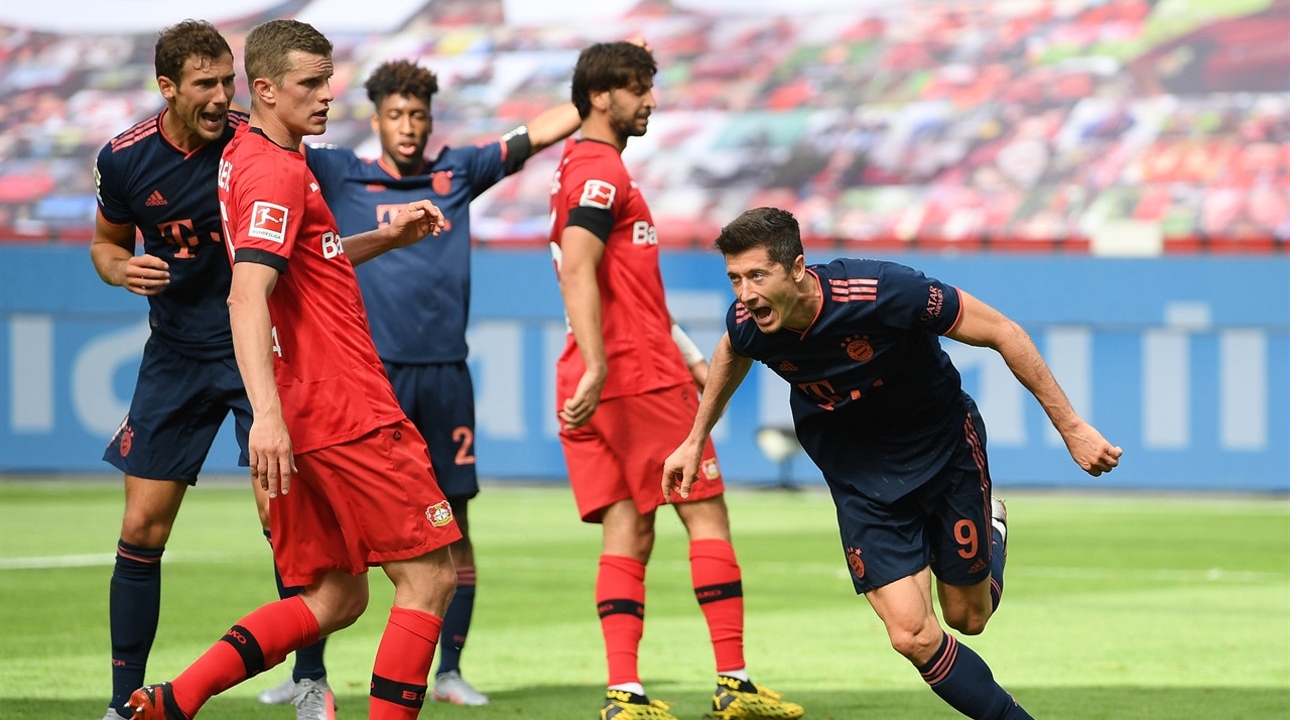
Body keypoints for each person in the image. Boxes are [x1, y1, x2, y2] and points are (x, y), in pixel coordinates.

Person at [663, 206, 1125, 720]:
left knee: (968, 618)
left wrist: (1072, 427)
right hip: (861, 479)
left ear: (796, 267)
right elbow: (731, 350)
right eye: (734, 279)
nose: (745, 294)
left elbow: (1003, 332)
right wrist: (694, 438)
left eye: (756, 275)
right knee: (911, 634)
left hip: (945, 450)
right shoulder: (751, 322)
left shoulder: (884, 291)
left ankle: (991, 523)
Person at [127, 19, 460, 720]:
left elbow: (299, 265)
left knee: (336, 596)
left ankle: (172, 701)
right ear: (268, 90)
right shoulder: (276, 168)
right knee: (429, 576)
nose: (328, 95)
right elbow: (246, 294)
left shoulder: (251, 153)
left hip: (309, 415)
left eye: (328, 80)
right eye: (311, 84)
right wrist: (266, 420)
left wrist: (383, 236)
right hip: (345, 409)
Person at [254, 57, 582, 709]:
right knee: (324, 530)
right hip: (363, 380)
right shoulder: (338, 170)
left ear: (430, 122)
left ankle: (449, 670)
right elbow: (272, 146)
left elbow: (535, 134)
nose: (408, 127)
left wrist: (596, 90)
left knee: (452, 522)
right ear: (375, 119)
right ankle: (306, 672)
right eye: (397, 115)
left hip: (444, 376)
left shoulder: (455, 171)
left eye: (418, 116)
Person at [549, 42, 803, 720]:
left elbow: (622, 285)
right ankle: (734, 684)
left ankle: (624, 694)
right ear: (601, 96)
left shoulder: (574, 166)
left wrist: (685, 348)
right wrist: (608, 364)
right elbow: (578, 265)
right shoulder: (601, 172)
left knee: (627, 531)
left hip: (598, 371)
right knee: (707, 514)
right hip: (631, 374)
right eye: (637, 89)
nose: (650, 101)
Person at [88, 20, 260, 720]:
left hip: (260, 351)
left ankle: (308, 683)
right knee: (143, 525)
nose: (223, 96)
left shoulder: (258, 143)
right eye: (206, 84)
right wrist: (123, 268)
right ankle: (122, 699)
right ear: (168, 88)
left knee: (290, 524)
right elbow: (104, 244)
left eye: (229, 80)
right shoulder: (125, 159)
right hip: (178, 355)